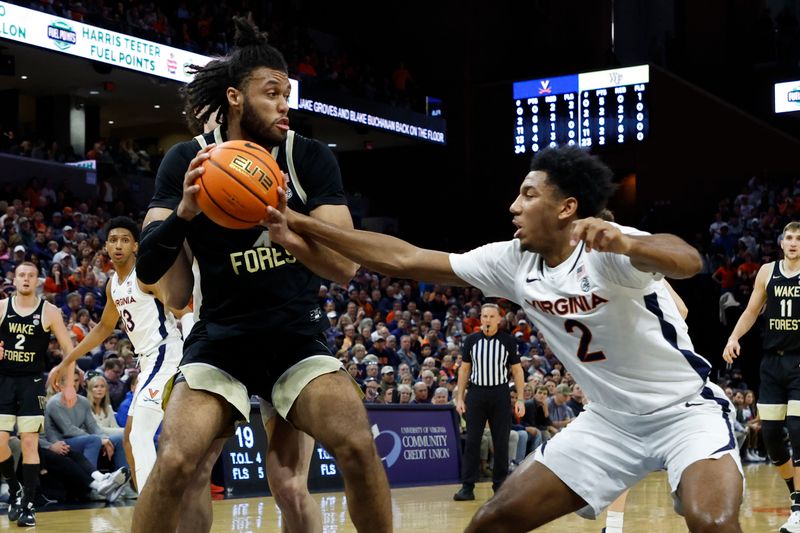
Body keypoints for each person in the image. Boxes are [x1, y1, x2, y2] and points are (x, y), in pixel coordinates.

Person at [270, 145, 745, 532]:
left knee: (714, 522)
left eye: (528, 195)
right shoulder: (511, 261)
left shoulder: (606, 246)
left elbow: (686, 259)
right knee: (491, 523)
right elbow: (404, 258)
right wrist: (301, 221)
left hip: (684, 412)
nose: (513, 206)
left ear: (566, 207)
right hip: (609, 424)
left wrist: (630, 244)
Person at [131, 17, 391, 533]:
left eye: (287, 94)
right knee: (178, 460)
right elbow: (155, 275)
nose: (284, 104)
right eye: (271, 92)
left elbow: (344, 267)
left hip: (295, 336)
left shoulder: (307, 157)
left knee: (358, 446)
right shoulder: (187, 160)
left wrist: (290, 232)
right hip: (220, 339)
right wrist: (184, 213)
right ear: (234, 97)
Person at [50, 216, 189, 496]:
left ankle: (156, 509)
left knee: (139, 435)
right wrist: (68, 359)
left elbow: (182, 309)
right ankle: (146, 505)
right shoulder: (113, 284)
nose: (118, 245)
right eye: (113, 239)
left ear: (136, 246)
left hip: (166, 353)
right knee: (128, 439)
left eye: (125, 239)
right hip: (147, 362)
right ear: (106, 246)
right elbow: (103, 328)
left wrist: (194, 346)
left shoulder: (146, 275)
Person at [723, 220, 800, 533]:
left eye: (799, 238)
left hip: (799, 363)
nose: (794, 242)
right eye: (790, 237)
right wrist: (733, 338)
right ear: (781, 242)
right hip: (771, 364)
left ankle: (799, 508)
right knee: (771, 437)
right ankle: (795, 495)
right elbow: (752, 311)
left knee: (797, 429)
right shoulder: (768, 272)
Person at [0, 262, 76, 527]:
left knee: (30, 442)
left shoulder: (49, 311)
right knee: (0, 443)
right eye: (21, 274)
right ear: (15, 278)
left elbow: (69, 348)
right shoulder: (1, 307)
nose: (25, 279)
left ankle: (29, 505)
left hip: (32, 382)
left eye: (31, 275)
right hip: (4, 381)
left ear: (37, 281)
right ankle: (14, 488)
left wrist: (69, 384)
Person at [453, 303, 524, 500]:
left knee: (501, 441)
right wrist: (460, 397)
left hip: (500, 393)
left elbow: (517, 371)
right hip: (476, 393)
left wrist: (521, 398)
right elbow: (464, 370)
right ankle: (467, 487)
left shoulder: (508, 341)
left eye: (492, 317)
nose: (487, 320)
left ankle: (499, 486)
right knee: (473, 441)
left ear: (499, 320)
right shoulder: (471, 340)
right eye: (484, 316)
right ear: (480, 319)